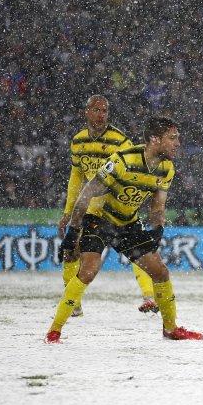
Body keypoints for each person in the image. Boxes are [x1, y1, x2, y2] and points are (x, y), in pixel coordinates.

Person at [47, 117, 203, 343]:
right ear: (154, 139)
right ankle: (54, 330)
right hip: (98, 219)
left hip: (127, 224)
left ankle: (171, 329)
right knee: (89, 271)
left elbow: (158, 206)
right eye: (172, 138)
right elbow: (87, 193)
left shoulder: (166, 168)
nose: (178, 143)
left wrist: (157, 230)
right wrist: (73, 230)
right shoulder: (122, 161)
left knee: (160, 272)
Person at [57, 94, 158, 317]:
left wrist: (130, 202)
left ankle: (149, 296)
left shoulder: (120, 141)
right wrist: (68, 211)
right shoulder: (78, 141)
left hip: (115, 206)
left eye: (104, 111)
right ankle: (73, 303)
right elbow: (76, 177)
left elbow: (134, 171)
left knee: (138, 251)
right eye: (96, 110)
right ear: (86, 112)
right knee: (71, 252)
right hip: (89, 206)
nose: (101, 115)